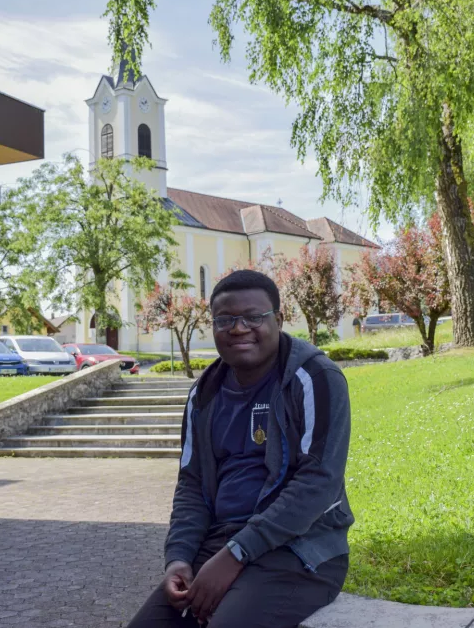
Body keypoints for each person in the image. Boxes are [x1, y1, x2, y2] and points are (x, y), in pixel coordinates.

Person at [127, 269, 353, 628]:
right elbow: (191, 484)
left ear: (278, 320)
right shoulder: (204, 394)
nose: (238, 328)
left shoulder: (314, 379)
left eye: (253, 317)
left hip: (300, 550)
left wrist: (237, 553)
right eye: (226, 319)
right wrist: (179, 558)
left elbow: (318, 483)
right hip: (220, 544)